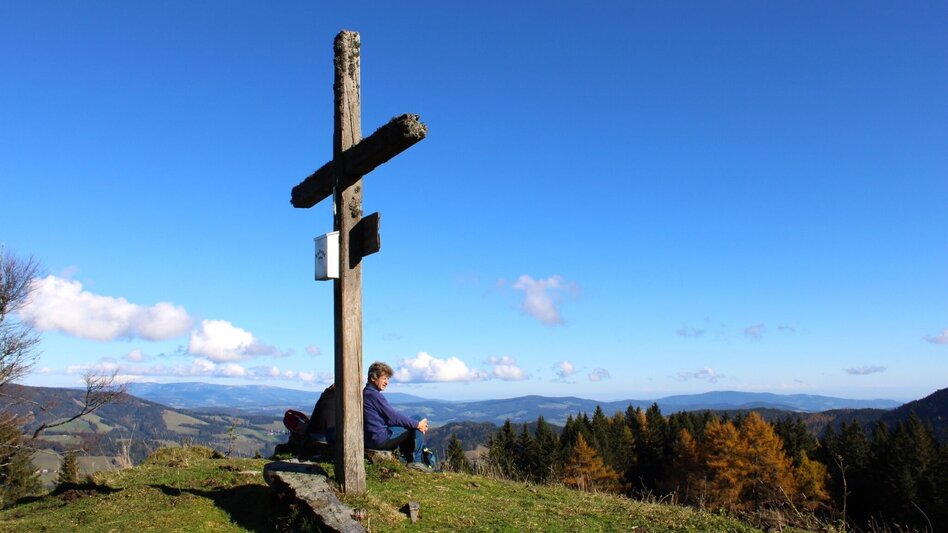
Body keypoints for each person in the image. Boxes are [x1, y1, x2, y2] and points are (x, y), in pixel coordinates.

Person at [362, 361, 432, 472]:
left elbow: (388, 418)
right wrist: (418, 425)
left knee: (414, 419)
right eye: (384, 378)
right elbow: (393, 417)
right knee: (417, 420)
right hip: (379, 439)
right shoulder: (374, 395)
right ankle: (416, 463)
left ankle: (409, 459)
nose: (387, 382)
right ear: (373, 378)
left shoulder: (366, 393)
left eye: (388, 379)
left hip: (370, 438)